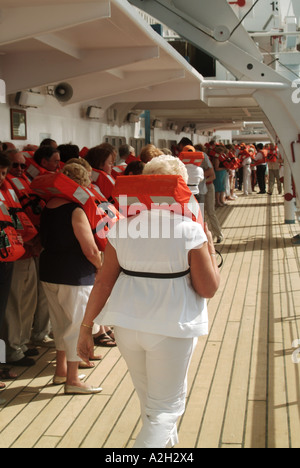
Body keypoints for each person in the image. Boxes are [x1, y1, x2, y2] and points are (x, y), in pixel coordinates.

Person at [77, 155, 220, 448]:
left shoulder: (122, 227)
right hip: (171, 327)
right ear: (181, 186)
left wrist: (85, 327)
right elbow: (208, 288)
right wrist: (209, 244)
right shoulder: (189, 230)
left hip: (128, 328)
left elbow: (104, 281)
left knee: (150, 406)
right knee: (166, 409)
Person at [39, 163, 103, 394]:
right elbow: (90, 250)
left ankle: (61, 371)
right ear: (82, 184)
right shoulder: (75, 210)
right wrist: (101, 267)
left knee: (59, 323)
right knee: (78, 325)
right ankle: (73, 381)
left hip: (49, 271)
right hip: (74, 274)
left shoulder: (48, 207)